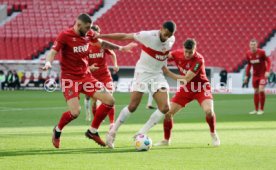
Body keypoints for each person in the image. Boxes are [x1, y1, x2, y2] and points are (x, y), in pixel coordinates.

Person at [42, 13, 137, 148]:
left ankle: (92, 131)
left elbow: (102, 43)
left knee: (110, 100)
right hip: (70, 79)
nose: (89, 31)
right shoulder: (65, 35)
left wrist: (121, 48)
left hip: (86, 76)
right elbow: (52, 52)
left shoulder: (89, 33)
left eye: (90, 28)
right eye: (86, 28)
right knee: (75, 113)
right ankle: (57, 131)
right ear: (78, 25)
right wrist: (48, 63)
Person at [97, 21, 176, 148]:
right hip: (143, 72)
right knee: (133, 106)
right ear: (161, 29)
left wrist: (165, 65)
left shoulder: (171, 39)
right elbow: (124, 36)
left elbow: (164, 54)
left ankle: (141, 132)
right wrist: (102, 36)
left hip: (157, 74)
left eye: (169, 35)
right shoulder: (148, 36)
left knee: (165, 108)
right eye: (165, 34)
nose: (166, 37)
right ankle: (112, 133)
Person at [138, 39, 220, 147]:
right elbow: (165, 56)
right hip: (186, 89)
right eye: (186, 51)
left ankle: (213, 134)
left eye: (190, 52)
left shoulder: (199, 60)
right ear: (183, 49)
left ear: (195, 50)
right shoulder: (177, 54)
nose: (187, 54)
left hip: (201, 88)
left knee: (209, 111)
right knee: (168, 112)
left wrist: (167, 72)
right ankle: (166, 140)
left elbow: (186, 79)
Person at [84, 25, 119, 132]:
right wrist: (89, 68)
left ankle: (112, 123)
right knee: (94, 102)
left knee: (110, 97)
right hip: (92, 77)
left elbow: (112, 53)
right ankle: (96, 123)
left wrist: (115, 64)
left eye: (96, 34)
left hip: (105, 75)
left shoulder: (102, 44)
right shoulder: (85, 47)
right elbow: (81, 64)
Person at [244, 39, 271, 115]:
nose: (252, 46)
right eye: (251, 45)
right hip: (255, 75)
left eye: (254, 44)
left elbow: (268, 61)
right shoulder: (248, 53)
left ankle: (261, 109)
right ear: (249, 45)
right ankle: (256, 109)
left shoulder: (262, 52)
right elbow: (249, 65)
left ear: (257, 45)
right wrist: (246, 76)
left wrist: (267, 71)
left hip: (262, 74)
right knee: (256, 91)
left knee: (261, 90)